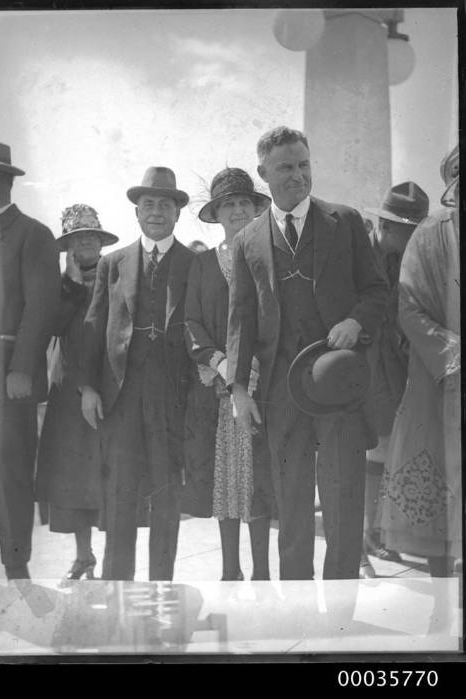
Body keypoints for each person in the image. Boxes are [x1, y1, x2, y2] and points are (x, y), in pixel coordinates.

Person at [226, 126, 389, 580]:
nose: (297, 175)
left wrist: (356, 321)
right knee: (291, 499)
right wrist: (239, 389)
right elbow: (240, 320)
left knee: (342, 494)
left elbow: (377, 289)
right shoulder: (247, 241)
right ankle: (296, 600)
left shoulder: (346, 220)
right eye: (285, 167)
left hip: (338, 383)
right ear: (263, 173)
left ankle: (341, 610)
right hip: (281, 390)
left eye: (303, 164)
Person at [79, 167, 194, 581]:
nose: (157, 211)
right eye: (149, 204)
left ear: (178, 213)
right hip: (120, 399)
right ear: (137, 212)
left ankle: (162, 586)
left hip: (170, 401)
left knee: (167, 498)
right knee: (120, 496)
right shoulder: (114, 263)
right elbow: (92, 329)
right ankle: (116, 589)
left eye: (165, 204)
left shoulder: (194, 263)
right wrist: (88, 387)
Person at [183, 167, 274, 580]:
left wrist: (256, 366)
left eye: (243, 203)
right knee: (226, 481)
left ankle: (261, 572)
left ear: (256, 209)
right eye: (228, 205)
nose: (237, 211)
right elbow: (191, 322)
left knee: (259, 480)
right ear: (216, 214)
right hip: (218, 389)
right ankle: (229, 570)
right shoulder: (202, 264)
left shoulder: (271, 255)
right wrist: (220, 363)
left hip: (264, 384)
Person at [0, 141, 61, 580]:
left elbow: (42, 307)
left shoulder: (32, 234)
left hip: (8, 382)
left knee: (9, 477)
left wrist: (22, 369)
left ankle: (16, 572)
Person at [379, 145, 461, 583]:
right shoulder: (430, 235)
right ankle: (442, 582)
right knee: (437, 477)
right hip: (439, 378)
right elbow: (408, 308)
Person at [35, 204, 119, 584]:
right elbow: (50, 326)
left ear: (101, 241)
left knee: (110, 473)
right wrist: (68, 286)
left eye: (91, 236)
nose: (86, 243)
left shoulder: (118, 272)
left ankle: (116, 558)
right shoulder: (58, 283)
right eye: (77, 238)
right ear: (68, 246)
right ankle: (83, 556)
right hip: (68, 389)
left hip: (110, 381)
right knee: (74, 477)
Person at [359, 182, 430, 578]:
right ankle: (356, 550)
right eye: (408, 230)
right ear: (387, 226)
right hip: (357, 370)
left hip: (393, 370)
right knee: (357, 455)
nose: (413, 239)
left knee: (384, 454)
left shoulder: (403, 259)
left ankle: (373, 536)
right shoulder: (357, 254)